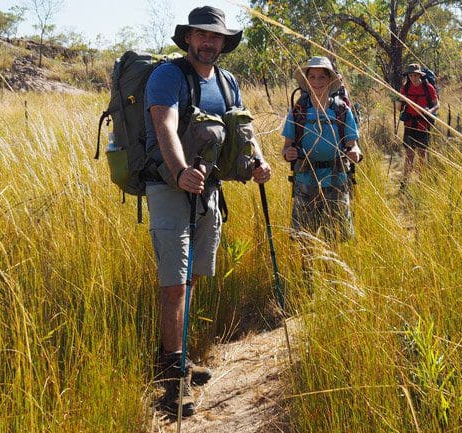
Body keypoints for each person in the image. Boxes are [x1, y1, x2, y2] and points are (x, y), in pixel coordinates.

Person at [144, 5, 271, 416]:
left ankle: (177, 352)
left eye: (215, 37)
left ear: (223, 43)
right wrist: (180, 172)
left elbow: (243, 129)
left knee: (194, 274)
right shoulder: (168, 76)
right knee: (174, 280)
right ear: (188, 38)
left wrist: (258, 161)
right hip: (170, 188)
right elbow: (163, 124)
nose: (208, 42)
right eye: (202, 35)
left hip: (210, 191)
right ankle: (172, 374)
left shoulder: (228, 81)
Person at [282, 56, 363, 244]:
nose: (317, 82)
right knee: (305, 238)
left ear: (330, 80)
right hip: (305, 180)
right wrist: (288, 153)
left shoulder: (342, 110)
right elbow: (287, 147)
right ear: (307, 81)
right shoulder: (298, 111)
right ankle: (308, 273)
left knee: (335, 237)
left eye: (322, 77)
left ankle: (330, 272)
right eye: (312, 77)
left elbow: (353, 144)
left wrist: (355, 153)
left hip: (336, 179)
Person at [398, 63, 439, 179]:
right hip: (410, 125)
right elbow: (399, 108)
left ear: (420, 75)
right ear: (408, 76)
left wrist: (430, 111)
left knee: (422, 154)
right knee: (409, 155)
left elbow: (437, 105)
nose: (413, 78)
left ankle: (421, 182)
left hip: (423, 125)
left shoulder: (428, 88)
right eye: (411, 76)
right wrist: (399, 102)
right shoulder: (405, 88)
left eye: (416, 75)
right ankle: (405, 182)